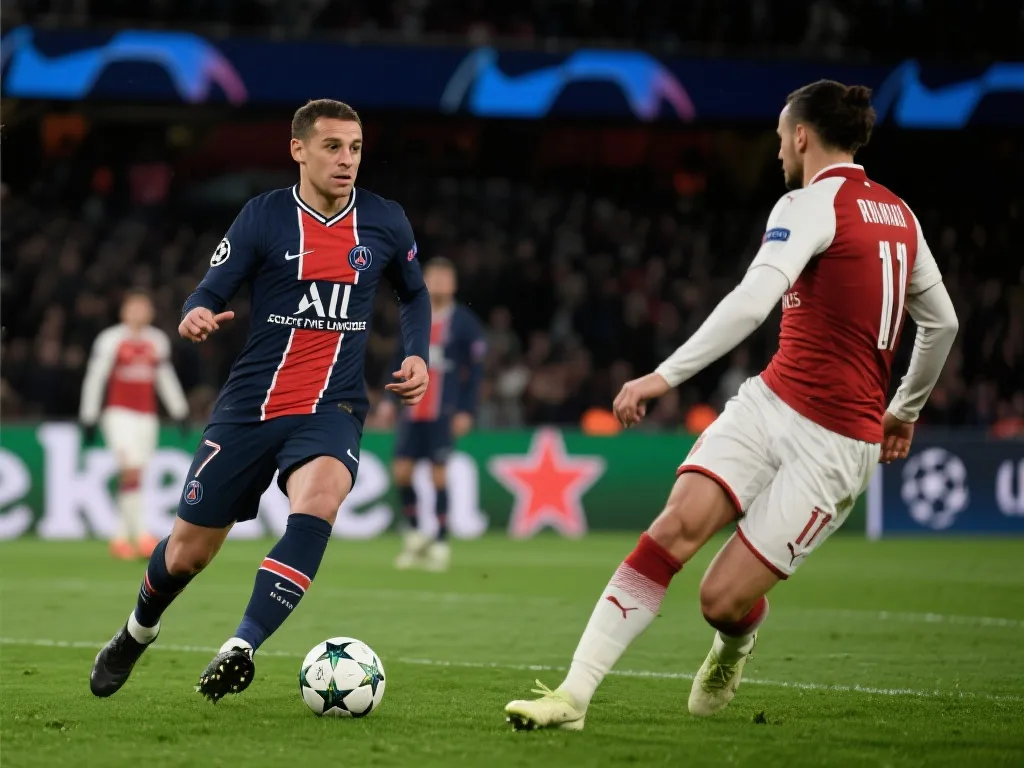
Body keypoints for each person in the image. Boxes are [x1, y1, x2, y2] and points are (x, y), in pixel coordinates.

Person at [504, 79, 959, 730]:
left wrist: (663, 376)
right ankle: (572, 697)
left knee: (720, 600)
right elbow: (941, 324)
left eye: (779, 138)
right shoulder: (901, 215)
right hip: (772, 402)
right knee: (673, 528)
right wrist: (905, 409)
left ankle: (733, 646)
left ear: (801, 135)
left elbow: (752, 303)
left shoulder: (808, 203)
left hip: (834, 446)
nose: (777, 152)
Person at [89, 99, 431, 703]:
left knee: (320, 499)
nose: (346, 160)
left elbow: (415, 294)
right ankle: (137, 631)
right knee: (187, 555)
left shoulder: (384, 221)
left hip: (333, 406)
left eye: (355, 148)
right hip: (251, 406)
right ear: (298, 149)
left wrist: (417, 354)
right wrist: (195, 313)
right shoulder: (264, 216)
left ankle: (241, 645)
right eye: (332, 147)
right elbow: (210, 289)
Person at [380, 258, 485, 572]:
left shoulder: (465, 322)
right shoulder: (414, 316)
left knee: (438, 474)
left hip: (444, 410)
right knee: (401, 472)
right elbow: (398, 358)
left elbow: (475, 372)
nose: (438, 283)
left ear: (454, 284)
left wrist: (466, 409)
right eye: (433, 277)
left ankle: (440, 541)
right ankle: (415, 535)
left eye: (444, 277)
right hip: (412, 411)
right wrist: (388, 400)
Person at [79, 289, 189, 560]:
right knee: (130, 471)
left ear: (150, 312)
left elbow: (164, 377)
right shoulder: (110, 339)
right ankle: (141, 535)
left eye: (143, 308)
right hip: (119, 414)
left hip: (146, 416)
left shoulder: (157, 340)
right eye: (133, 308)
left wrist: (180, 410)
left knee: (136, 475)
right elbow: (96, 376)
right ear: (123, 312)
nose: (139, 313)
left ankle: (119, 538)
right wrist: (89, 414)